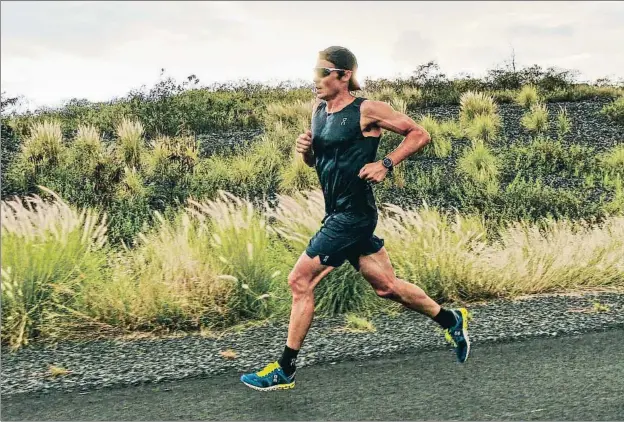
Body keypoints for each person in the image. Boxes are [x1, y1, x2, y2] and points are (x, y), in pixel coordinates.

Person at [240, 46, 470, 391]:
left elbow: (420, 134)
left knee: (299, 282)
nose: (315, 79)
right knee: (386, 287)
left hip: (353, 215)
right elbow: (322, 163)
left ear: (344, 75)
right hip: (337, 211)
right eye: (314, 72)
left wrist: (385, 163)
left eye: (322, 72)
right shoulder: (318, 111)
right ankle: (450, 318)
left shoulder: (367, 110)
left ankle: (285, 369)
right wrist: (306, 153)